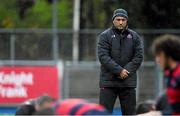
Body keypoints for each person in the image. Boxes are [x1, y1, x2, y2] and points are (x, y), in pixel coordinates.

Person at [98, 8, 143, 115]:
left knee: (130, 113)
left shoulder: (134, 36)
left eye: (123, 19)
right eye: (118, 19)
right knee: (103, 114)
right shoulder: (104, 36)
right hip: (108, 83)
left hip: (128, 82)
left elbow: (139, 57)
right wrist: (119, 71)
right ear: (113, 20)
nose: (121, 22)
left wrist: (126, 70)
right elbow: (103, 57)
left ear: (127, 21)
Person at [151, 34, 180, 115]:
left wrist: (161, 113)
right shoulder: (168, 73)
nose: (157, 60)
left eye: (159, 55)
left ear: (168, 55)